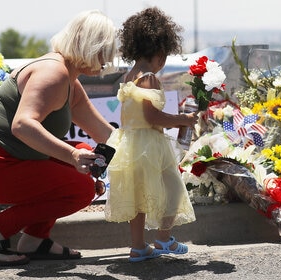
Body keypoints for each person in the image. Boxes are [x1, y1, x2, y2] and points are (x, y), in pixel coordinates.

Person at [0, 10, 117, 266]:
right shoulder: (55, 73)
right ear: (89, 47)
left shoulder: (68, 80)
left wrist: (150, 152)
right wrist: (73, 156)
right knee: (81, 187)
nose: (108, 59)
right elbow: (22, 125)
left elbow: (106, 134)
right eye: (105, 51)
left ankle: (34, 240)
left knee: (87, 154)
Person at [104, 7, 197, 262]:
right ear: (159, 53)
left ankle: (138, 247)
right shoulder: (149, 79)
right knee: (173, 188)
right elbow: (152, 118)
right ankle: (164, 237)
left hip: (130, 143)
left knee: (138, 195)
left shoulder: (130, 75)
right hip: (149, 144)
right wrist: (183, 120)